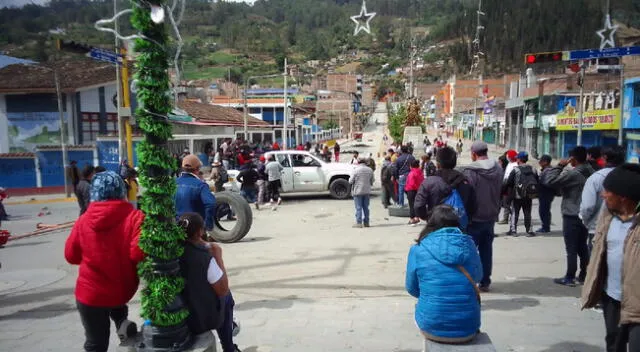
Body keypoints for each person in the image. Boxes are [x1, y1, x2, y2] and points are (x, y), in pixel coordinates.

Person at [65, 171, 143, 352]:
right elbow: (137, 254)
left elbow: (71, 256)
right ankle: (121, 323)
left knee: (95, 343)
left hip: (89, 295)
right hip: (120, 290)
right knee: (117, 304)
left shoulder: (83, 220)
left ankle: (119, 324)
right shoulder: (135, 218)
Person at [581, 164, 640, 352]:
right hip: (612, 297)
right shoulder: (607, 215)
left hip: (637, 304)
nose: (603, 195)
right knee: (613, 343)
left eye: (608, 191)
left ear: (623, 196)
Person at [405, 205, 482, 345]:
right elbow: (478, 276)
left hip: (431, 327)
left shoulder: (418, 249)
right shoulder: (469, 245)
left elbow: (412, 288)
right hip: (468, 328)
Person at [178, 213, 242, 352]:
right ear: (200, 231)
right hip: (198, 319)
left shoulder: (173, 252)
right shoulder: (204, 258)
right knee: (226, 296)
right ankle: (228, 347)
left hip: (179, 310)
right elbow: (222, 289)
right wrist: (218, 256)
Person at [543, 146, 594, 286]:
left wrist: (559, 165)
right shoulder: (590, 170)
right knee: (582, 246)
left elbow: (550, 181)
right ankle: (584, 274)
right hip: (586, 214)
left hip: (572, 214)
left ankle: (569, 277)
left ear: (573, 159)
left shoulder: (574, 174)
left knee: (571, 248)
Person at [460, 140, 503, 292]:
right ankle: (485, 281)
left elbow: (468, 195)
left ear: (473, 154)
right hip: (491, 215)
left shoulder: (471, 172)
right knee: (486, 250)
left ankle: (471, 280)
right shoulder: (498, 169)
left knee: (471, 251)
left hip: (474, 218)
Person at [580, 145, 626, 255]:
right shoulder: (631, 177)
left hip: (599, 230)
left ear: (604, 157)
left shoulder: (595, 178)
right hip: (625, 230)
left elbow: (587, 207)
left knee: (597, 267)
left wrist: (587, 222)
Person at [414, 146, 475, 227]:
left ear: (438, 164)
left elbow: (418, 206)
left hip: (436, 225)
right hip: (459, 227)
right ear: (455, 162)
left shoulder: (429, 181)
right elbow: (472, 204)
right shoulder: (465, 181)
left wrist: (428, 217)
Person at [176, 155, 216, 233]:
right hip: (195, 230)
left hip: (177, 228)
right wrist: (207, 225)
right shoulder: (200, 185)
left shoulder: (172, 184)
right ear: (197, 169)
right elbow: (210, 204)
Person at [504, 151, 538, 237]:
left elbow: (509, 182)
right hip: (529, 195)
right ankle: (529, 231)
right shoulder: (533, 169)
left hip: (517, 195)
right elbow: (537, 181)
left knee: (515, 213)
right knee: (527, 212)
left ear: (519, 159)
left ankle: (513, 230)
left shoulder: (516, 170)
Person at [349, 158, 374, 228]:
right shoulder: (370, 170)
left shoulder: (355, 170)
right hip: (367, 191)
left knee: (358, 207)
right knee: (366, 207)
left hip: (357, 191)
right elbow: (372, 181)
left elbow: (350, 181)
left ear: (358, 162)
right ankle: (366, 222)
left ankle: (359, 223)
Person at [498, 150, 518, 225]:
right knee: (505, 203)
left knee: (509, 203)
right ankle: (506, 218)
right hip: (506, 185)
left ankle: (509, 219)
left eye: (508, 156)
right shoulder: (510, 164)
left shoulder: (515, 165)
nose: (507, 157)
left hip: (511, 187)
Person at [536, 154, 555, 233]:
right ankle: (545, 226)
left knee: (544, 211)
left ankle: (546, 227)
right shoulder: (545, 169)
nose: (539, 162)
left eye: (541, 161)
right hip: (544, 193)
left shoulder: (548, 170)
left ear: (546, 162)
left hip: (546, 193)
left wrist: (539, 181)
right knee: (544, 210)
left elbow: (547, 182)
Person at [405, 160, 424, 226]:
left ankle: (412, 219)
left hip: (411, 190)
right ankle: (417, 218)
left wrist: (406, 190)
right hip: (419, 190)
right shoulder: (420, 172)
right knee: (417, 205)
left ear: (411, 166)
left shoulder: (411, 173)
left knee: (411, 205)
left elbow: (411, 183)